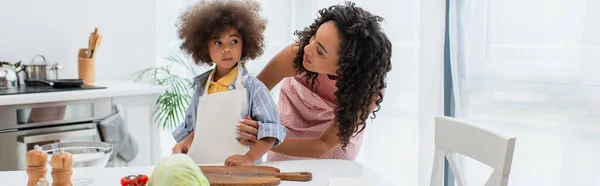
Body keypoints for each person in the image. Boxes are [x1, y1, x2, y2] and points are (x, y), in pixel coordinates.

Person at [236, 1, 392, 161]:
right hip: (287, 129)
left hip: (331, 144)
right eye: (314, 38)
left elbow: (323, 145)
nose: (307, 48)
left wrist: (268, 140)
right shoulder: (297, 55)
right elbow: (250, 97)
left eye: (320, 51)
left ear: (346, 67)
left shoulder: (369, 91)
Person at [170, 0, 286, 166]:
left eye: (234, 41)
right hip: (204, 170)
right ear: (204, 47)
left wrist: (249, 158)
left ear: (245, 43)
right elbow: (196, 130)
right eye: (218, 42)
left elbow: (271, 132)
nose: (227, 49)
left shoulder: (254, 88)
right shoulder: (201, 87)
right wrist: (183, 144)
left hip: (242, 173)